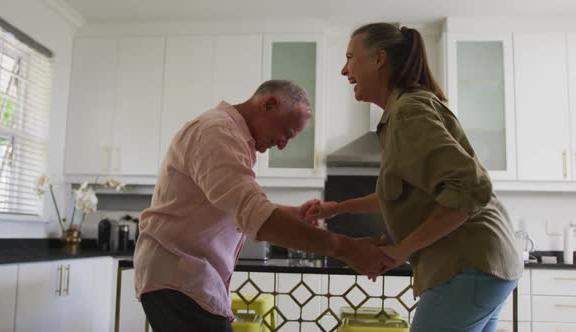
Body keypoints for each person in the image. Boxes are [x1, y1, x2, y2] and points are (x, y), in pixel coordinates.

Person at [305, 23, 523, 332]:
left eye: (351, 57)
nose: (344, 70)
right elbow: (400, 193)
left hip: (468, 263)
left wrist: (400, 249)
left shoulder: (409, 112)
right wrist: (336, 208)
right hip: (484, 263)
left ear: (379, 59)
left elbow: (471, 187)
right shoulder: (405, 111)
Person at [133, 79, 393, 332]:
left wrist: (293, 214)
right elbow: (252, 212)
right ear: (269, 104)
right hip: (178, 275)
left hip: (184, 276)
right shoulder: (217, 132)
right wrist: (346, 248)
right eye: (286, 134)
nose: (281, 145)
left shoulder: (227, 134)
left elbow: (230, 206)